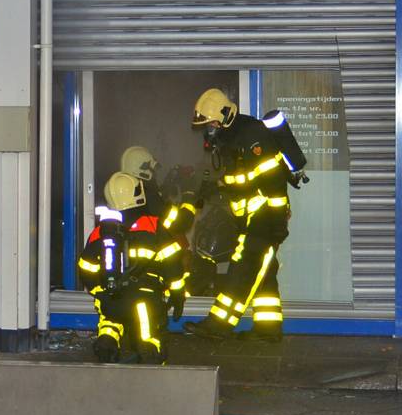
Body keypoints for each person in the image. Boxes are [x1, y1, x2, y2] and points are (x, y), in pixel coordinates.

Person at [184, 88, 308, 342]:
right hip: (252, 216)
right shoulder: (231, 138)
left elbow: (271, 180)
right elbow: (242, 179)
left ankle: (219, 324)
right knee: (265, 271)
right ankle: (268, 329)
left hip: (265, 216)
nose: (210, 129)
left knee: (244, 266)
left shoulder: (252, 135)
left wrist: (275, 223)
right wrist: (216, 188)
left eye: (212, 123)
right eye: (208, 125)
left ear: (225, 115)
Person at [77, 172, 186, 364]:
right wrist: (177, 294)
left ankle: (107, 342)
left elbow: (86, 266)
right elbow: (173, 264)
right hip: (144, 299)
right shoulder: (153, 227)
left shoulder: (100, 231)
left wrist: (99, 292)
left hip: (110, 298)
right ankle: (149, 354)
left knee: (110, 322)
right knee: (148, 334)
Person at [120, 145, 197, 321]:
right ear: (143, 169)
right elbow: (180, 222)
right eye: (151, 169)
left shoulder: (125, 190)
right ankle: (181, 300)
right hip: (152, 263)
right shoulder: (149, 195)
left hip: (132, 265)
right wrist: (189, 193)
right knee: (183, 251)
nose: (154, 173)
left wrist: (170, 182)